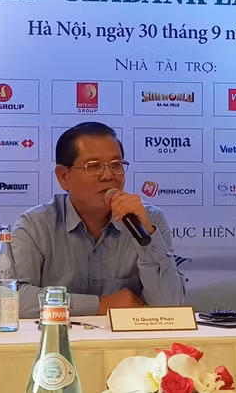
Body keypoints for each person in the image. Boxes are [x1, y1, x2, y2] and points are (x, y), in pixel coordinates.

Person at [11, 122, 186, 317]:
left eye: (116, 165)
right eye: (93, 166)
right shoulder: (35, 225)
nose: (108, 176)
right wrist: (101, 305)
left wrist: (147, 238)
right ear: (63, 177)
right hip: (58, 335)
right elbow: (11, 298)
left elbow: (169, 306)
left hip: (128, 337)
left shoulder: (149, 220)